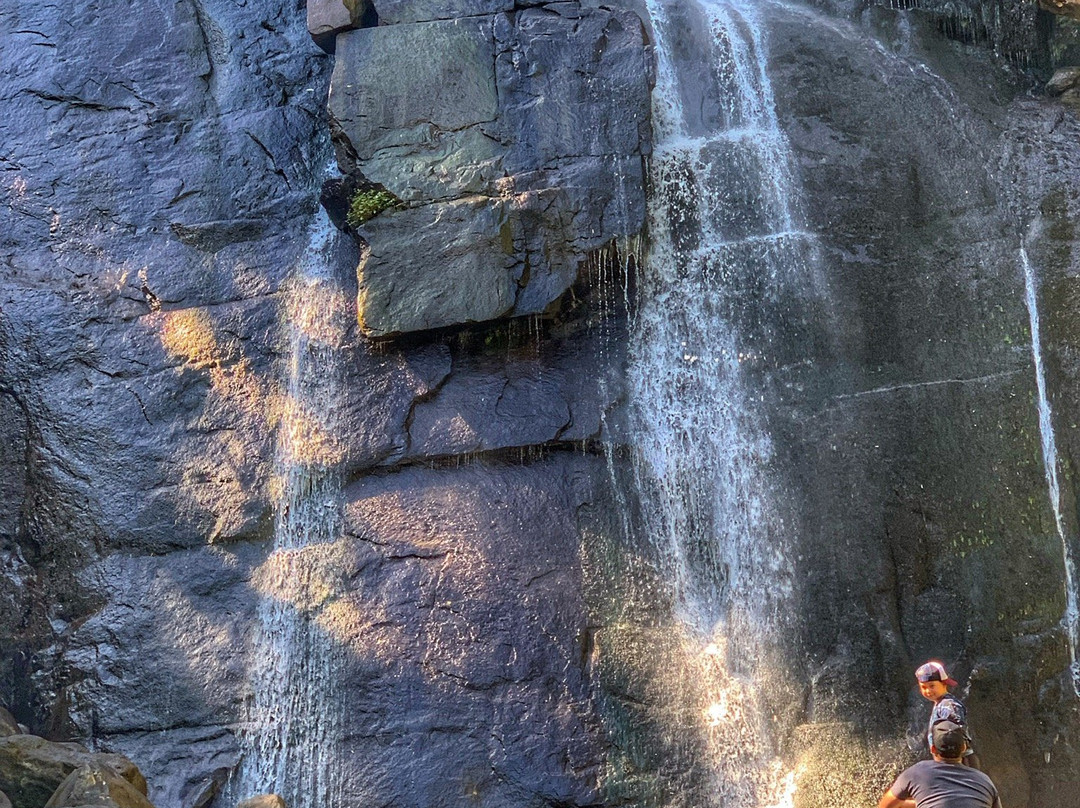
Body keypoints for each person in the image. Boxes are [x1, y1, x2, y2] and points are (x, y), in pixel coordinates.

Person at [879, 720, 1002, 808]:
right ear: (964, 748)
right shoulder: (984, 781)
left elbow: (885, 806)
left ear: (932, 749)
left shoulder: (917, 773)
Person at [916, 660, 981, 769]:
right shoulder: (940, 703)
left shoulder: (949, 706)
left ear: (944, 683)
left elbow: (954, 734)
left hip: (960, 761)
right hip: (950, 761)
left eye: (932, 686)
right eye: (924, 687)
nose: (928, 691)